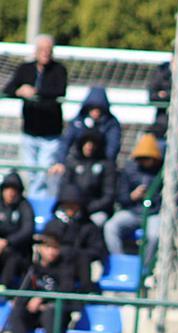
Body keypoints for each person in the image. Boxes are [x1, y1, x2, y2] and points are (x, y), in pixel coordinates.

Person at [2, 35, 67, 199]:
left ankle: (37, 202)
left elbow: (59, 91)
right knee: (30, 171)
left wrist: (36, 92)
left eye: (48, 50)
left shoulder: (59, 70)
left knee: (44, 169)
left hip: (50, 132)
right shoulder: (25, 69)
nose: (45, 53)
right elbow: (9, 88)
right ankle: (34, 199)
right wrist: (20, 91)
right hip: (30, 130)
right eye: (41, 50)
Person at [3, 227, 76, 333]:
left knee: (50, 311)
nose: (52, 252)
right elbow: (23, 292)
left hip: (55, 315)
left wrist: (42, 299)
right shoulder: (33, 269)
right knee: (16, 312)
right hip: (34, 314)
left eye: (55, 248)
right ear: (40, 248)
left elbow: (65, 291)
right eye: (48, 247)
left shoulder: (65, 269)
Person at [103, 134, 163, 263]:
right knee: (110, 226)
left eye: (147, 158)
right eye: (141, 158)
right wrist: (132, 196)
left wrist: (153, 197)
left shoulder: (162, 172)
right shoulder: (129, 170)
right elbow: (121, 197)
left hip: (153, 213)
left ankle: (145, 268)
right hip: (133, 212)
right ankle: (119, 261)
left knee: (154, 236)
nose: (143, 161)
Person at [44, 184, 106, 293]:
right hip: (55, 268)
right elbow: (46, 246)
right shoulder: (53, 225)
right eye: (67, 205)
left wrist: (75, 253)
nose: (70, 209)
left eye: (73, 205)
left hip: (79, 270)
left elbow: (97, 250)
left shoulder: (89, 226)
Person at [49, 86, 122, 174]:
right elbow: (66, 141)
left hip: (100, 165)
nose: (95, 112)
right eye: (92, 108)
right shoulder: (78, 121)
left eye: (98, 109)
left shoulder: (111, 124)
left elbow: (113, 146)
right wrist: (59, 161)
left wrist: (104, 164)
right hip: (78, 163)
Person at [59, 130, 117, 225]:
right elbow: (65, 187)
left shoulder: (107, 166)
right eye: (86, 143)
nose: (89, 147)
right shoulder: (72, 162)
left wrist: (88, 208)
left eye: (93, 144)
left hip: (95, 210)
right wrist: (73, 206)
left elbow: (108, 196)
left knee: (97, 221)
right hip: (72, 207)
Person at [0, 173, 35, 291]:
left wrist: (7, 242)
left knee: (12, 255)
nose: (10, 193)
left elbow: (27, 230)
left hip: (18, 251)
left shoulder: (25, 206)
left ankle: (3, 286)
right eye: (7, 189)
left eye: (14, 189)